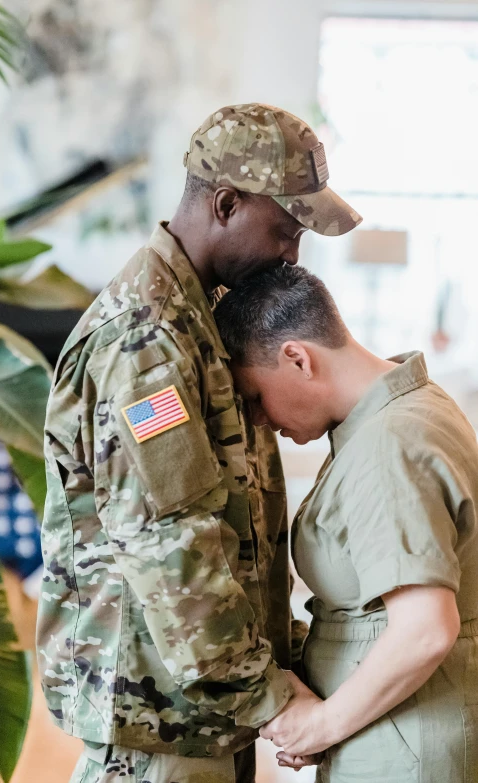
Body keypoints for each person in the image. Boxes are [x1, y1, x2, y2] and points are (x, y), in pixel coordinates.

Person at [36, 104, 362, 783]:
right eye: (286, 227)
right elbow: (170, 542)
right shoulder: (147, 339)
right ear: (225, 203)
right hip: (156, 729)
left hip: (197, 714)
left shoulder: (199, 319)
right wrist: (272, 699)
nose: (292, 253)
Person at [213, 264, 478, 783]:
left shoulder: (388, 444)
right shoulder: (404, 411)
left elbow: (425, 630)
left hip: (407, 745)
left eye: (256, 396)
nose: (260, 420)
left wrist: (321, 725)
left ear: (297, 358)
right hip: (404, 730)